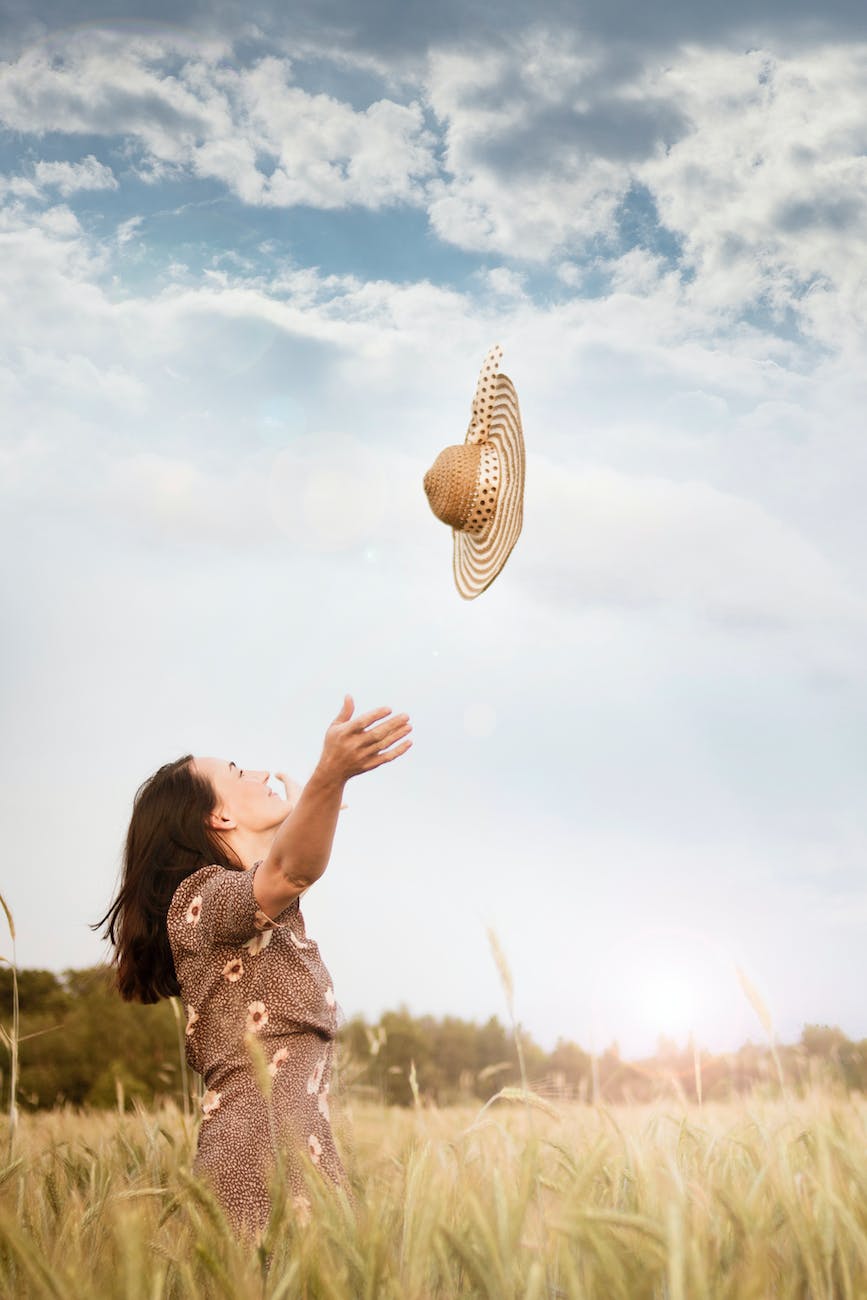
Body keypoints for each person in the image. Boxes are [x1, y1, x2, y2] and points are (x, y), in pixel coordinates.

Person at [94, 694, 412, 1237]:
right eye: (240, 772)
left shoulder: (263, 914)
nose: (262, 773)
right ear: (218, 815)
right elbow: (289, 872)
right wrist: (327, 778)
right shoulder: (203, 900)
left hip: (297, 1155)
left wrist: (320, 798)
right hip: (254, 1163)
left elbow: (290, 869)